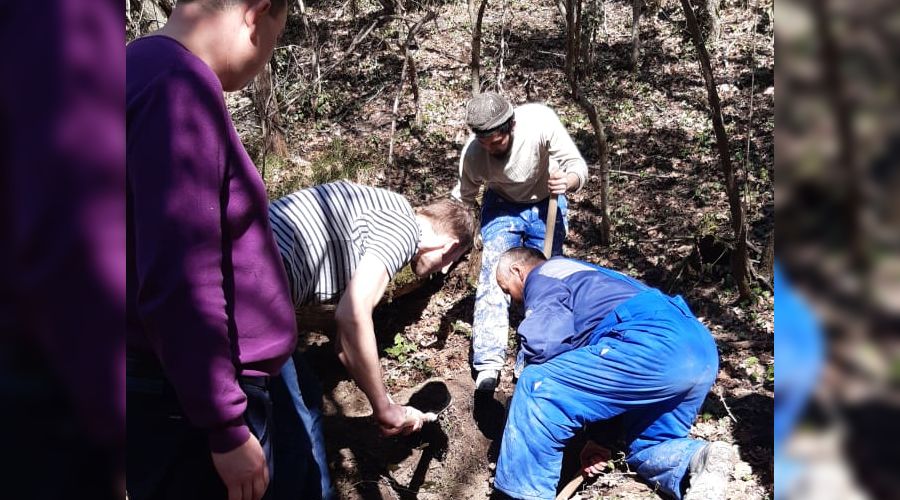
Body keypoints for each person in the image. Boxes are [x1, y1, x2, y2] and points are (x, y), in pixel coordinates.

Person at [126, 1, 298, 499]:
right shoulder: (178, 87)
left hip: (165, 387)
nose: (265, 57)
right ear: (255, 13)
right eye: (275, 38)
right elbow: (181, 276)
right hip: (188, 405)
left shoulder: (136, 67)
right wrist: (224, 425)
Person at [492, 248, 734, 500]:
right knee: (649, 445)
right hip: (699, 349)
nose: (513, 300)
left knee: (537, 386)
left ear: (517, 271)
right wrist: (601, 439)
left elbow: (546, 344)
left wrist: (526, 385)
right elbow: (600, 384)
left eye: (507, 289)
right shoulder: (589, 276)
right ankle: (698, 460)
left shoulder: (544, 274)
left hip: (653, 341)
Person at [268, 180, 475, 436]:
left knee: (304, 395)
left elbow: (344, 338)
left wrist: (385, 402)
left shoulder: (384, 211)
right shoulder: (404, 229)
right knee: (298, 420)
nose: (443, 269)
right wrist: (384, 408)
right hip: (255, 282)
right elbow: (353, 314)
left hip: (245, 268)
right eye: (451, 260)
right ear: (450, 246)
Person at [450, 92, 589, 392]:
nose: (490, 149)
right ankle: (488, 363)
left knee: (546, 280)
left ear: (511, 126)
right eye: (484, 143)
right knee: (494, 273)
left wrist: (568, 181)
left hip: (546, 202)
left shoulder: (539, 122)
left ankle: (534, 359)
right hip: (502, 204)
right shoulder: (474, 154)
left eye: (496, 142)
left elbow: (577, 166)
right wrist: (455, 238)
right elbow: (463, 201)